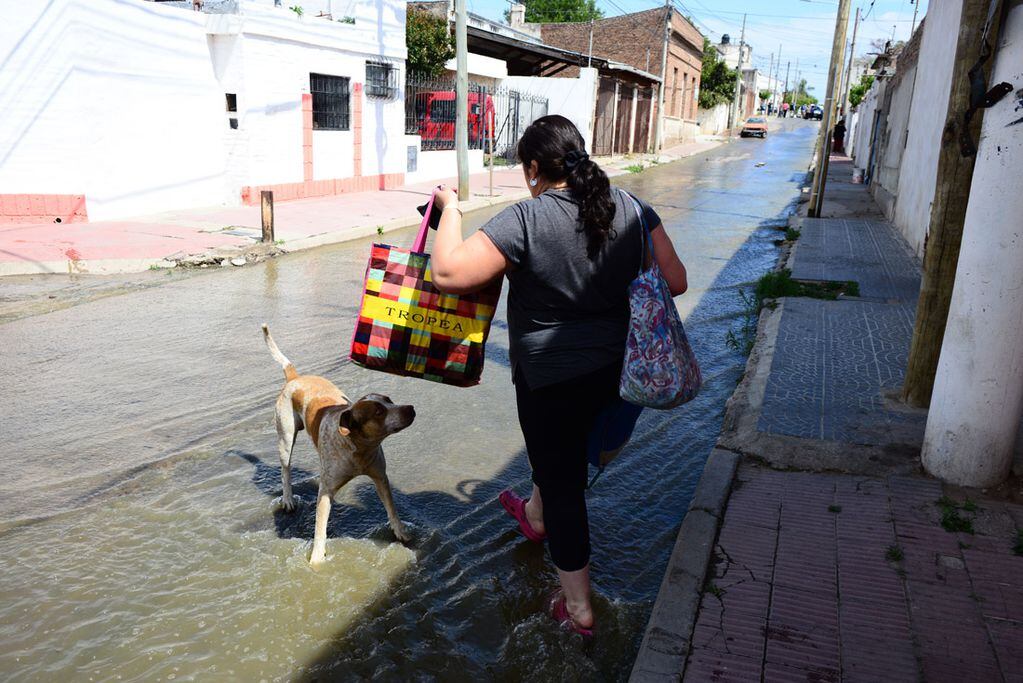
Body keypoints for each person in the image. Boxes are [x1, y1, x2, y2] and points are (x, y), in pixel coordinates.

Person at [429, 115, 688, 635]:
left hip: (550, 380)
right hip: (620, 373)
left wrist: (450, 211)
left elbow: (449, 272)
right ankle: (536, 514)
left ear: (532, 169)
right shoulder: (634, 209)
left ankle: (578, 610)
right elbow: (676, 281)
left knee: (564, 481)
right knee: (564, 461)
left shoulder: (525, 218)